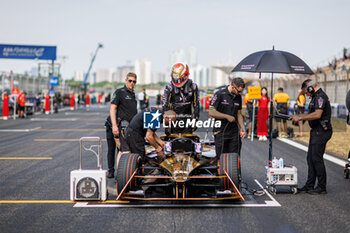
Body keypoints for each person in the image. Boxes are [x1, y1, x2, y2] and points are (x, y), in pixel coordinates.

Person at [290, 79, 332, 195]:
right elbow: (309, 114)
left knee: (316, 158)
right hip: (316, 131)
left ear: (310, 88)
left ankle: (321, 187)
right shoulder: (315, 97)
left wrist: (299, 118)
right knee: (310, 158)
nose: (306, 95)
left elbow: (317, 114)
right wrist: (297, 115)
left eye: (306, 92)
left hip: (322, 131)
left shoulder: (320, 97)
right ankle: (309, 185)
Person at [105, 72, 138, 178]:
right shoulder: (120, 92)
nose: (132, 83)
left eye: (134, 81)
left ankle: (121, 174)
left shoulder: (133, 94)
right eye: (130, 81)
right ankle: (111, 171)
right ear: (126, 80)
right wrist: (114, 125)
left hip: (126, 126)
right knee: (112, 148)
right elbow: (112, 108)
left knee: (122, 150)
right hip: (113, 124)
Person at [209, 78, 246, 157]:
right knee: (222, 158)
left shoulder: (238, 97)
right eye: (238, 91)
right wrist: (226, 117)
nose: (240, 93)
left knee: (235, 157)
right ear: (232, 87)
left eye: (241, 91)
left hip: (234, 131)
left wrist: (242, 127)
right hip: (221, 131)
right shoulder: (219, 94)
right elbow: (211, 112)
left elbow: (239, 114)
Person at [162, 63, 199, 134]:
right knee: (172, 141)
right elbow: (165, 105)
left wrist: (195, 120)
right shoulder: (169, 88)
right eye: (176, 78)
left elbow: (196, 104)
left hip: (188, 119)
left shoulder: (193, 87)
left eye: (179, 79)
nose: (178, 81)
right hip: (173, 120)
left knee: (187, 142)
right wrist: (166, 124)